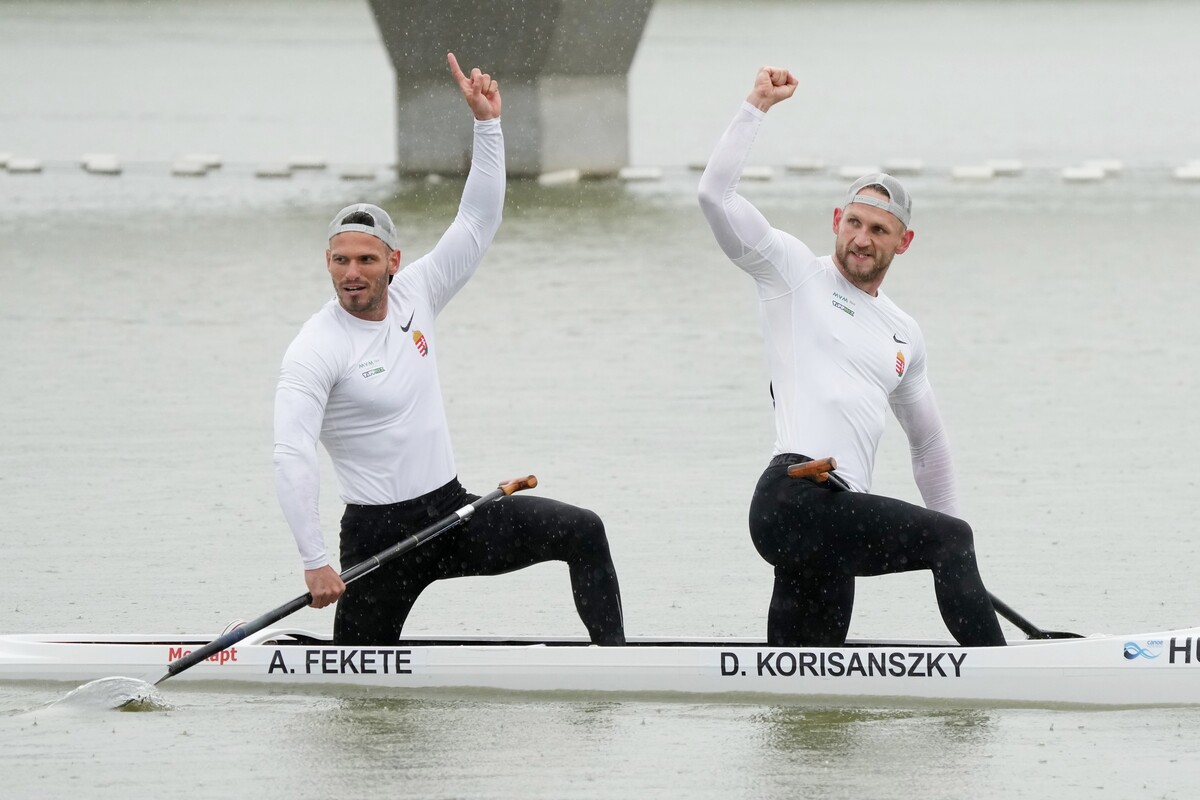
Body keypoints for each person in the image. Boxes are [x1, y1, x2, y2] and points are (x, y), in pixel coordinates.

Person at [272, 53, 624, 646]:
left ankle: (616, 666)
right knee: (359, 697)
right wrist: (313, 559)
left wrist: (488, 126)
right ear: (328, 263)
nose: (353, 273)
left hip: (455, 514)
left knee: (584, 531)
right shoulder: (315, 347)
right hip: (379, 538)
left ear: (393, 262)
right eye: (340, 260)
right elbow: (290, 454)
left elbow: (477, 222)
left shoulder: (419, 292)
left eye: (366, 259)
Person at [697, 65, 1005, 648]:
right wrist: (756, 106)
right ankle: (1004, 677)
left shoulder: (904, 333)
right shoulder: (791, 273)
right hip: (792, 496)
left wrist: (953, 526)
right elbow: (715, 195)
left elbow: (929, 444)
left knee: (809, 695)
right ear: (838, 222)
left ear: (902, 242)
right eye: (855, 223)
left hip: (838, 518)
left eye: (880, 230)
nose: (862, 239)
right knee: (949, 543)